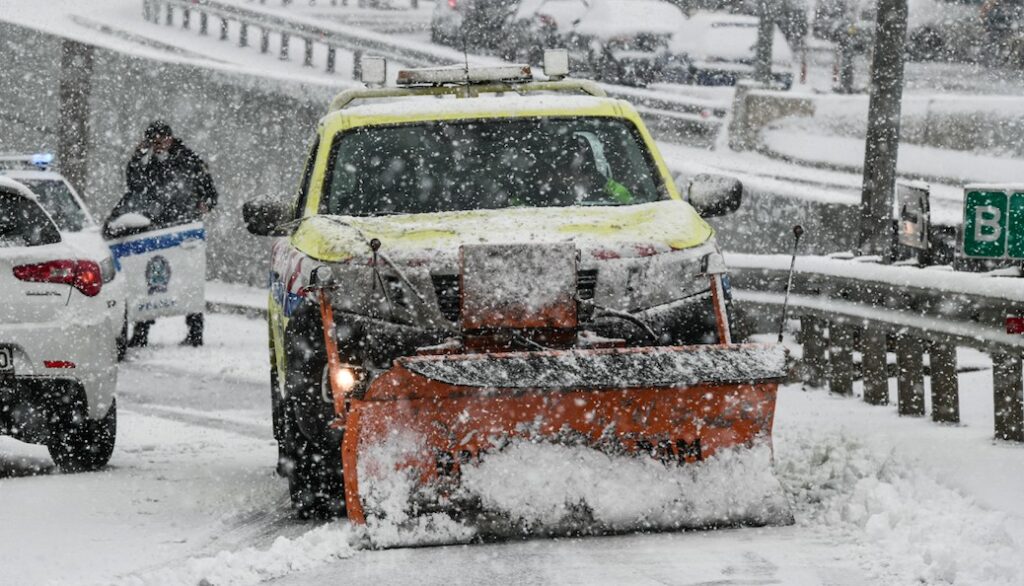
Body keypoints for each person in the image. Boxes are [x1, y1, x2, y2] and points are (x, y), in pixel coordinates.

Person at [112, 121, 218, 348]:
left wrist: (205, 203)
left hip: (183, 231)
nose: (158, 145)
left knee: (188, 282)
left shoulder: (189, 160)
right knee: (149, 278)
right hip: (155, 229)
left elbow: (210, 193)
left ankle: (195, 332)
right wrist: (138, 156)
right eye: (153, 141)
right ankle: (142, 331)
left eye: (161, 140)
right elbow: (134, 185)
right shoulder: (148, 163)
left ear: (170, 138)